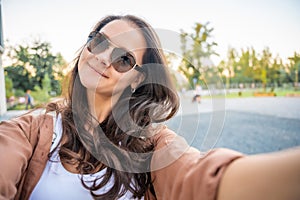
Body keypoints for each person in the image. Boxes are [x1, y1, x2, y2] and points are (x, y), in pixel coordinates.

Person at [0, 14, 299, 200]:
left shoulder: (152, 146)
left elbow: (199, 179)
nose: (103, 57)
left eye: (123, 59)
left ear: (137, 79)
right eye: (98, 41)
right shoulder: (35, 130)